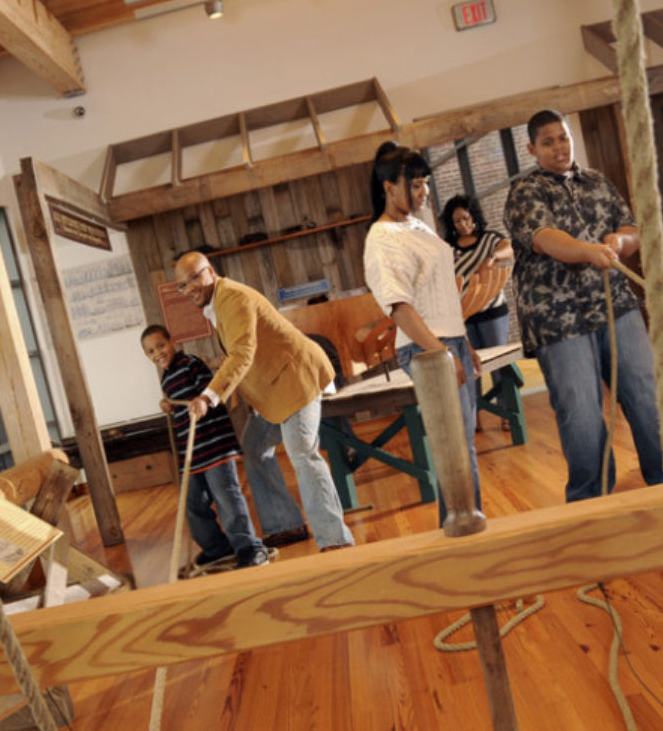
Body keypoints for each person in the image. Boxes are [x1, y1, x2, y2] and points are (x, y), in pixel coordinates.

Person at [504, 109, 663, 502]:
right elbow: (544, 237)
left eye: (564, 138)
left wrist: (620, 244)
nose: (559, 148)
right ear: (532, 148)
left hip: (616, 306)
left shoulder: (598, 182)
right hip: (558, 320)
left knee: (645, 393)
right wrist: (585, 250)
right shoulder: (526, 191)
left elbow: (631, 229)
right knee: (581, 413)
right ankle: (590, 503)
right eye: (549, 141)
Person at [173, 251, 356, 552]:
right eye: (182, 285)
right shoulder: (216, 303)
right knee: (255, 447)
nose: (190, 287)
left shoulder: (231, 298)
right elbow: (245, 350)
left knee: (302, 453)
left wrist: (208, 395)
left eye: (195, 277)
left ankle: (336, 540)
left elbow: (243, 353)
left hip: (296, 380)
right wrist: (216, 365)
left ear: (211, 271)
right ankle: (285, 523)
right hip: (274, 391)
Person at [363, 142, 483, 522]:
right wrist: (442, 354)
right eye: (415, 184)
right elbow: (399, 308)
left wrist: (464, 343)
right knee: (456, 452)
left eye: (425, 183)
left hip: (447, 342)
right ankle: (462, 535)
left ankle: (465, 529)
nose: (424, 192)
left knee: (463, 448)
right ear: (389, 188)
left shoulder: (417, 224)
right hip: (425, 348)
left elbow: (441, 294)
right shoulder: (382, 238)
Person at [141, 324, 272, 572]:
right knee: (193, 504)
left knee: (227, 499)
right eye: (150, 351)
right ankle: (217, 549)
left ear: (173, 342)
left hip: (215, 446)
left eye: (161, 345)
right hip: (193, 454)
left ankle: (250, 548)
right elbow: (181, 402)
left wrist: (202, 404)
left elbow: (213, 394)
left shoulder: (192, 364)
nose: (158, 353)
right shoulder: (167, 377)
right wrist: (169, 405)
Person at [439, 194, 515, 430]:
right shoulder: (448, 249)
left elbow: (508, 248)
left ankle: (507, 413)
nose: (462, 224)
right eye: (457, 221)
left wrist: (492, 259)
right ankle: (476, 416)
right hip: (465, 316)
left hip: (493, 313)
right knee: (471, 368)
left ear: (474, 217)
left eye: (465, 218)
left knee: (498, 364)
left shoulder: (489, 239)